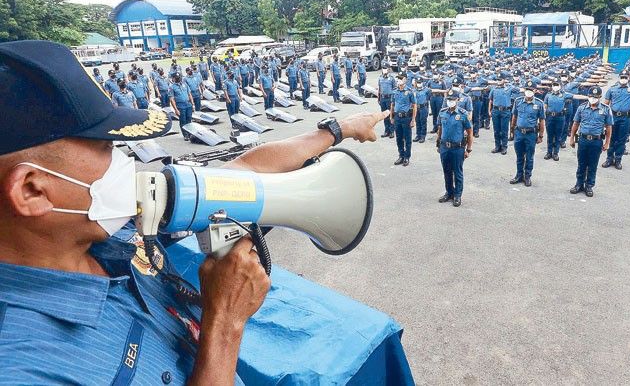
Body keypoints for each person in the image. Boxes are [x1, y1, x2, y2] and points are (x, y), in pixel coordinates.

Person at [0, 40, 389, 385]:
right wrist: (224, 325)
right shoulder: (24, 367)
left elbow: (244, 171)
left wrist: (339, 128)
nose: (125, 164)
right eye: (105, 148)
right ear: (33, 190)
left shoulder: (106, 232)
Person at [569, 86, 613, 197]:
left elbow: (608, 127)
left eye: (595, 97)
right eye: (591, 96)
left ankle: (589, 186)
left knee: (592, 165)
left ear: (599, 97)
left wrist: (607, 143)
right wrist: (572, 138)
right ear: (588, 96)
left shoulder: (606, 109)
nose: (593, 99)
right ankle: (579, 184)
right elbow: (575, 124)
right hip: (583, 140)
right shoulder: (582, 108)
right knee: (581, 164)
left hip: (596, 141)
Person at [437, 89, 474, 207]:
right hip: (444, 147)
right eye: (448, 100)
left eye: (452, 100)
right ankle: (449, 192)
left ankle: (457, 195)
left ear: (457, 100)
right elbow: (440, 129)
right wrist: (438, 143)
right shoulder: (442, 112)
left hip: (457, 148)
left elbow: (469, 132)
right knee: (446, 171)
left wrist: (468, 149)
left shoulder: (463, 114)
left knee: (457, 172)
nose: (450, 102)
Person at [509, 81, 545, 187]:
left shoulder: (539, 103)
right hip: (519, 132)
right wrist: (512, 131)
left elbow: (542, 120)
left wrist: (541, 135)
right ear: (524, 90)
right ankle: (519, 175)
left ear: (535, 91)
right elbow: (514, 117)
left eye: (531, 90)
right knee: (519, 156)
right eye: (527, 90)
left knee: (529, 156)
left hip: (531, 134)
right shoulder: (518, 101)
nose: (529, 92)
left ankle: (527, 176)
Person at [390, 75, 417, 166]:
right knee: (399, 138)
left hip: (406, 117)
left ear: (405, 80)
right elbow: (392, 105)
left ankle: (407, 157)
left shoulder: (409, 92)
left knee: (407, 138)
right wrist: (391, 117)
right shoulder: (395, 91)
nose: (399, 81)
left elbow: (414, 105)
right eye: (398, 79)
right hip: (397, 117)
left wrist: (413, 119)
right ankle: (401, 156)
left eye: (400, 79)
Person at [488, 77, 514, 155]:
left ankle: (504, 147)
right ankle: (497, 146)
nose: (499, 81)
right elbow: (490, 100)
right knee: (496, 130)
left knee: (504, 131)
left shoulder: (509, 88)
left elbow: (517, 89)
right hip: (495, 111)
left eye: (500, 79)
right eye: (498, 80)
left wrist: (508, 83)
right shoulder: (494, 89)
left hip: (505, 111)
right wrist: (489, 110)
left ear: (504, 80)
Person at [169, 73, 194, 140]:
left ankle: (190, 133)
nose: (178, 78)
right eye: (176, 77)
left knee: (189, 119)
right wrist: (176, 109)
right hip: (180, 105)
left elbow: (189, 94)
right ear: (173, 78)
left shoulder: (184, 84)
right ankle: (185, 135)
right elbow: (172, 99)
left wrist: (192, 104)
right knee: (183, 120)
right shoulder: (172, 87)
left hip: (188, 104)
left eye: (179, 77)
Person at [377, 66, 396, 138]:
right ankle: (386, 131)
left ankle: (392, 131)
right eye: (383, 69)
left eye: (385, 69)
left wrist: (393, 99)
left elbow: (394, 89)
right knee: (384, 115)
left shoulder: (391, 78)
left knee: (391, 114)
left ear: (388, 70)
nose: (384, 70)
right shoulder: (380, 78)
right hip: (383, 98)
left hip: (389, 98)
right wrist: (378, 98)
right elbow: (379, 88)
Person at [412, 78, 431, 142]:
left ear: (422, 83)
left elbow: (428, 98)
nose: (419, 84)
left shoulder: (427, 90)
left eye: (420, 82)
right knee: (417, 122)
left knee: (423, 122)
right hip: (416, 108)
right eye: (418, 83)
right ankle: (418, 135)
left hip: (423, 107)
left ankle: (423, 136)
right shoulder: (414, 90)